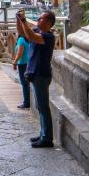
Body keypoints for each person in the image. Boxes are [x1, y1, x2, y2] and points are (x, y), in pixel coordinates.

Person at [18, 10, 56, 148]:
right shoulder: (39, 32)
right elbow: (23, 33)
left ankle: (47, 138)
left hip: (41, 75)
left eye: (41, 18)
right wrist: (19, 20)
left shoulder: (47, 36)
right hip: (36, 74)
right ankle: (43, 134)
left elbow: (30, 35)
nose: (38, 20)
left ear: (48, 23)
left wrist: (23, 20)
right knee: (40, 106)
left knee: (43, 107)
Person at [13, 22, 32, 109]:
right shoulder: (28, 38)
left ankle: (26, 103)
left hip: (22, 63)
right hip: (28, 62)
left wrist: (15, 62)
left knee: (24, 84)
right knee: (27, 83)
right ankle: (28, 101)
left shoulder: (21, 39)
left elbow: (20, 52)